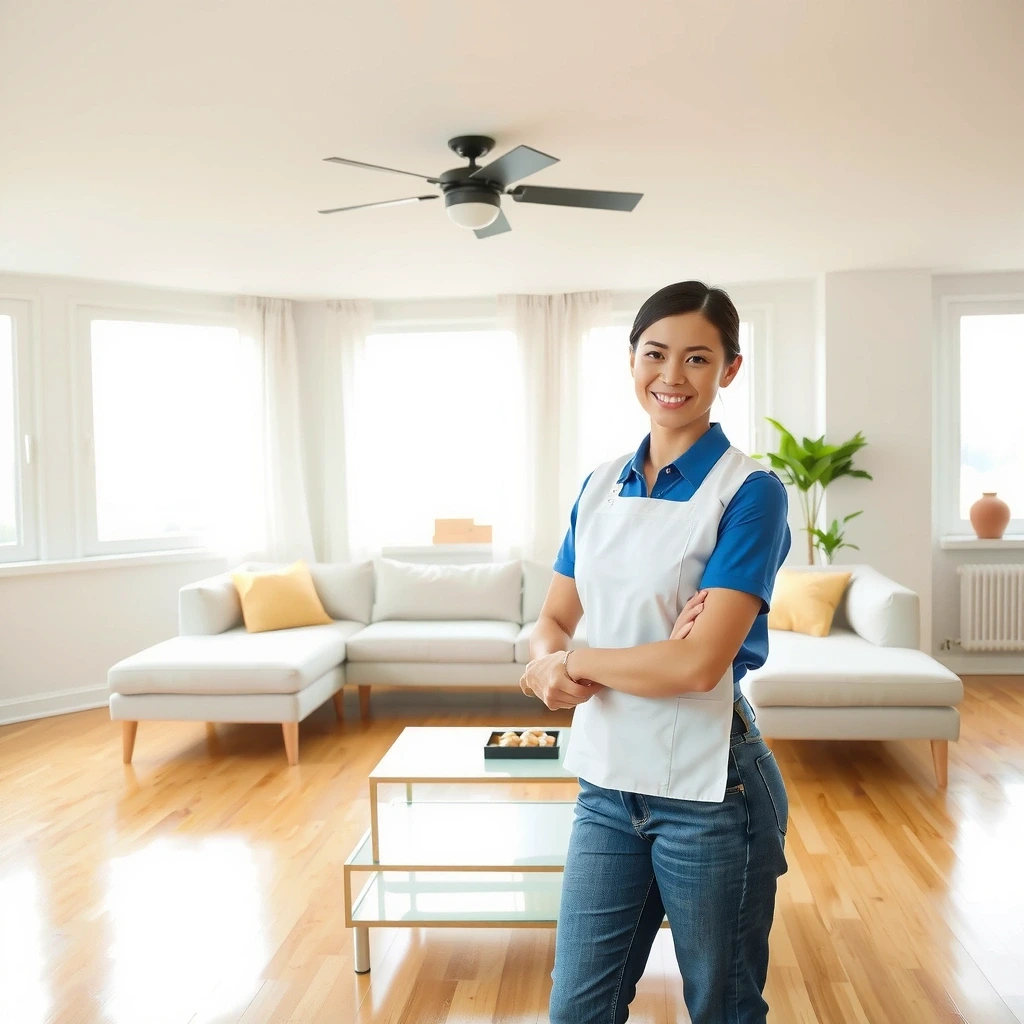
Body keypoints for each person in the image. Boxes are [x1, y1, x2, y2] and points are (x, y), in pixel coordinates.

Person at [521, 281, 791, 1024]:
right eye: (656, 353)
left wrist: (578, 662)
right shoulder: (599, 484)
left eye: (698, 358)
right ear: (632, 360)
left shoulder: (751, 493)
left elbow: (696, 666)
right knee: (578, 1008)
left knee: (723, 1009)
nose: (672, 376)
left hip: (710, 794)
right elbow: (552, 616)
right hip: (606, 789)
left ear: (729, 370)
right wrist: (551, 658)